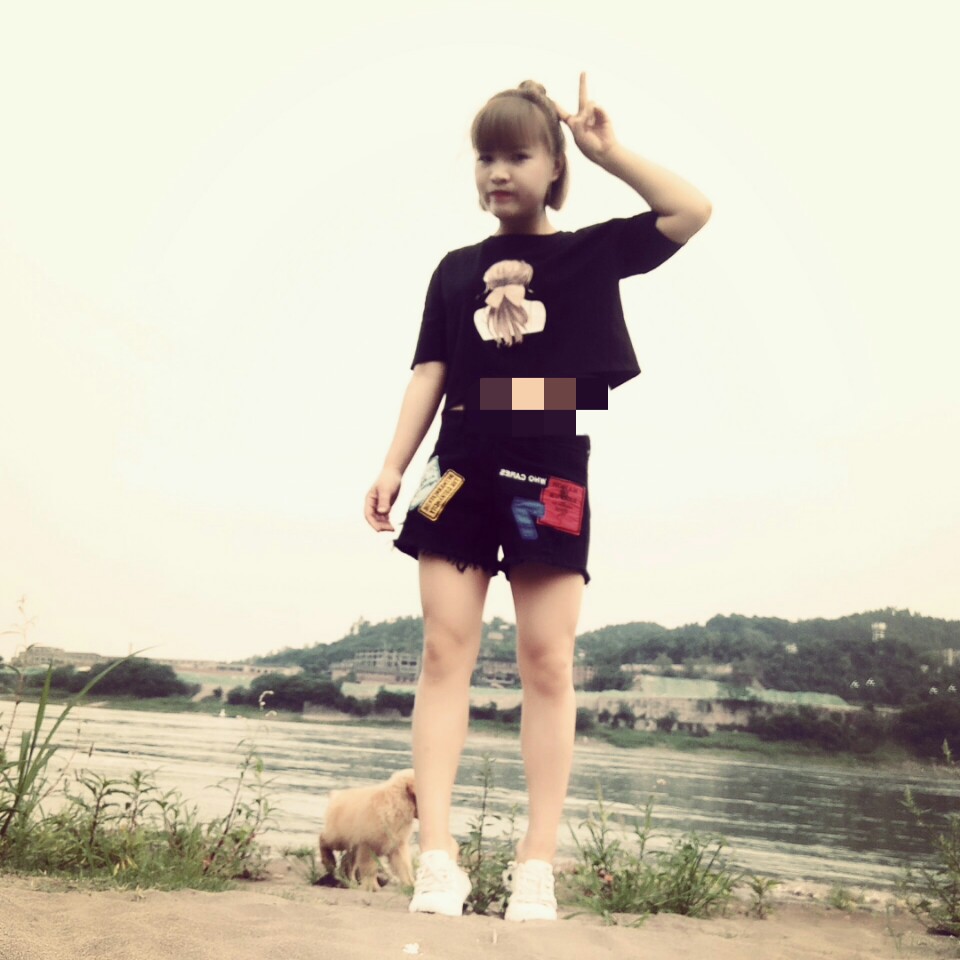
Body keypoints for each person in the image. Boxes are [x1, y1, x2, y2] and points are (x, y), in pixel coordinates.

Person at [363, 73, 711, 921]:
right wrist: (393, 464)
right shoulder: (454, 271)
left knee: (548, 660)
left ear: (554, 166)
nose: (497, 172)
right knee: (443, 653)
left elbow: (690, 211)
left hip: (550, 470)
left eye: (517, 155)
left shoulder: (589, 253)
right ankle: (437, 857)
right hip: (457, 468)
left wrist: (608, 150)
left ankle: (537, 864)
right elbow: (431, 371)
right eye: (485, 157)